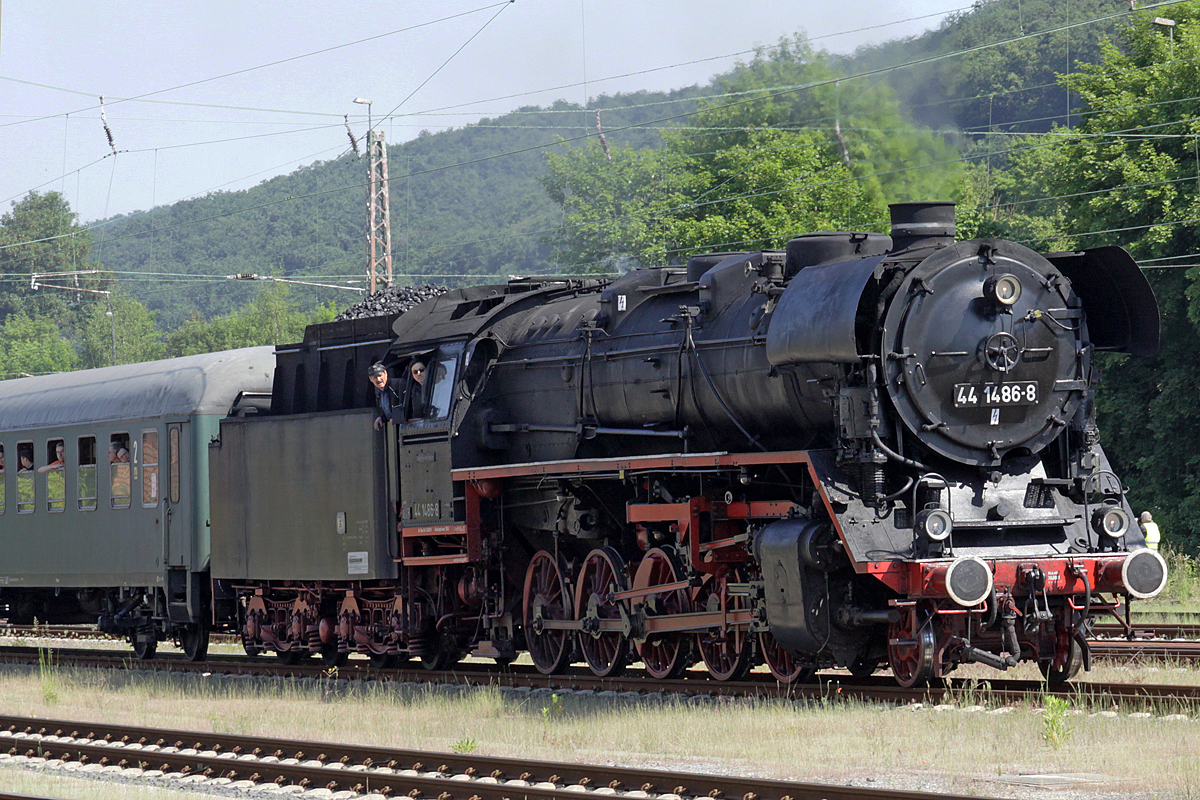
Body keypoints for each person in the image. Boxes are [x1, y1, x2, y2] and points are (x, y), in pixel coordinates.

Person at [369, 362, 400, 431]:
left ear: (385, 373)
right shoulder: (379, 392)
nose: (378, 379)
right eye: (375, 377)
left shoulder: (397, 385)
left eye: (380, 375)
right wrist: (381, 417)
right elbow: (386, 409)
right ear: (371, 379)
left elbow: (406, 405)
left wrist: (396, 417)